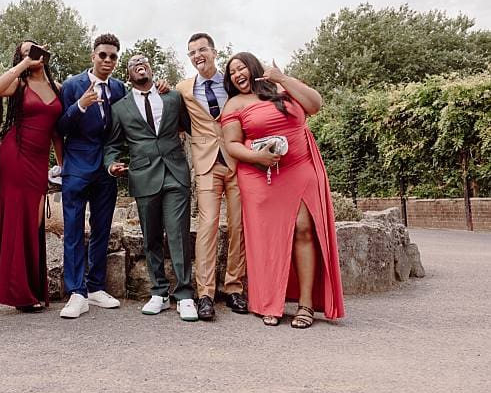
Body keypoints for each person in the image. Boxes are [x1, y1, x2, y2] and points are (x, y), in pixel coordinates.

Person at [220, 52, 344, 328]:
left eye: (241, 68)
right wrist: (258, 157)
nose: (237, 75)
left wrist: (282, 78)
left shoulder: (281, 87)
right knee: (267, 239)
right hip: (260, 176)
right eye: (232, 73)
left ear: (254, 68)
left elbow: (315, 105)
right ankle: (269, 302)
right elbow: (232, 144)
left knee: (304, 228)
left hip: (300, 167)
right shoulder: (234, 104)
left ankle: (306, 305)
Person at [104, 54, 197, 321]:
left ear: (151, 69)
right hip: (144, 175)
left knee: (178, 234)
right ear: (129, 74)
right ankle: (159, 293)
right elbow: (112, 145)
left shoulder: (173, 97)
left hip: (175, 172)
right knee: (151, 236)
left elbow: (192, 127)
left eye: (143, 60)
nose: (139, 63)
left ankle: (185, 295)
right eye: (133, 63)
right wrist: (111, 164)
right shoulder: (120, 108)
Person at [53, 33, 125, 318]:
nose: (107, 60)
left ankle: (95, 288)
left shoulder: (119, 88)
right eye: (102, 55)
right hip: (77, 166)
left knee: (102, 228)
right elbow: (60, 128)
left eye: (113, 56)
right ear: (93, 56)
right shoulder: (73, 85)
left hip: (106, 168)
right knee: (73, 229)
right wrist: (80, 105)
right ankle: (76, 292)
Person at [0, 40, 64, 312]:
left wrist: (63, 166)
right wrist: (23, 64)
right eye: (26, 52)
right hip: (16, 153)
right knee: (18, 218)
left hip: (39, 160)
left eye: (36, 49)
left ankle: (32, 288)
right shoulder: (19, 84)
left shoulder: (58, 87)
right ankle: (19, 293)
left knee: (35, 222)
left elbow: (56, 132)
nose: (33, 55)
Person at [177, 32, 247, 319]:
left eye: (202, 49)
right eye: (192, 52)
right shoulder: (183, 88)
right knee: (207, 227)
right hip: (206, 164)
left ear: (214, 52)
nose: (197, 56)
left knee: (238, 226)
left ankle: (234, 288)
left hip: (237, 161)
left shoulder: (232, 84)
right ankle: (205, 294)